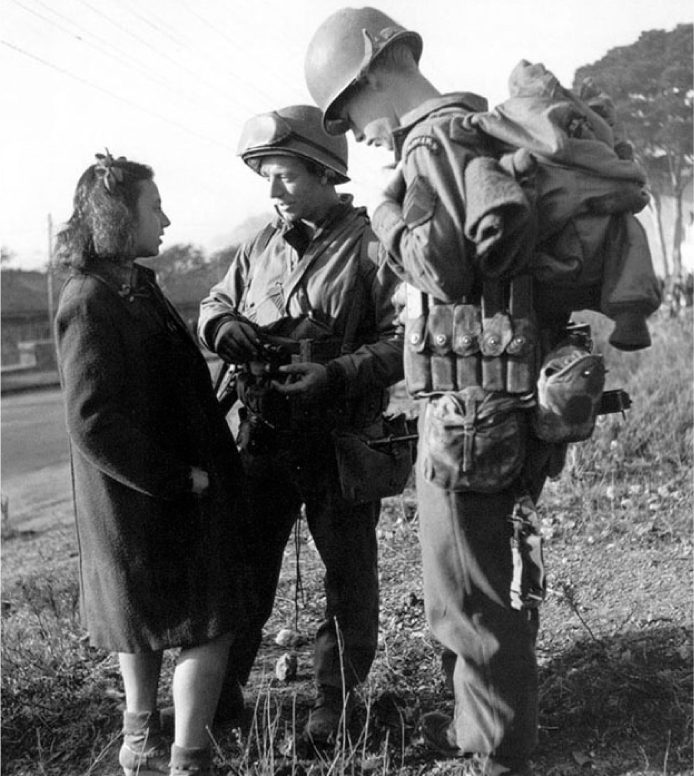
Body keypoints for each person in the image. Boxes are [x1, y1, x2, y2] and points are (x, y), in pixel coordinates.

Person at [304, 9, 571, 775]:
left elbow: (444, 268)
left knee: (472, 598)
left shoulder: (432, 139)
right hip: (498, 407)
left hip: (469, 419)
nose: (355, 134)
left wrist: (384, 210)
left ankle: (496, 755)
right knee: (483, 582)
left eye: (349, 110)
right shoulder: (473, 127)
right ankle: (473, 725)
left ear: (376, 72)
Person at [197, 104, 404, 745]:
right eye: (266, 176)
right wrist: (224, 327)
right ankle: (221, 697)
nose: (273, 189)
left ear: (322, 173)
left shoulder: (372, 244)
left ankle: (333, 705)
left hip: (338, 439)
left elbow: (408, 338)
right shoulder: (259, 243)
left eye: (284, 175)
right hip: (264, 438)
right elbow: (215, 301)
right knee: (244, 568)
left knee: (348, 578)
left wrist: (339, 373)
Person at [54, 151, 249, 776]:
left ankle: (141, 745)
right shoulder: (90, 300)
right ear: (118, 216)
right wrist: (178, 477)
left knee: (146, 623)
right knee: (207, 624)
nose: (166, 218)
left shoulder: (132, 285)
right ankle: (189, 760)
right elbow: (91, 420)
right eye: (155, 206)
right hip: (149, 499)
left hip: (148, 501)